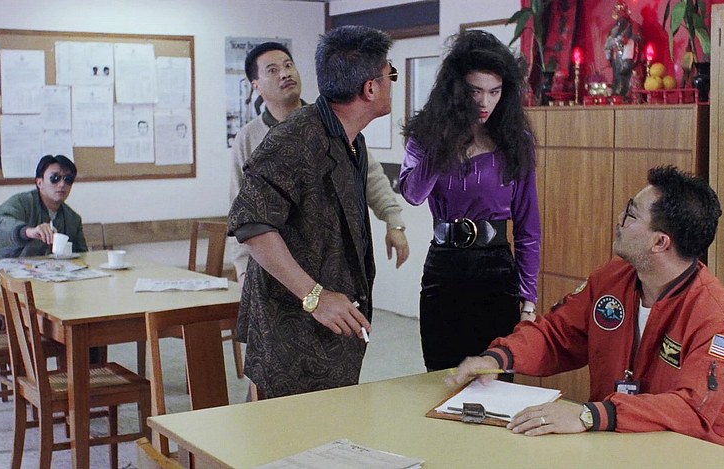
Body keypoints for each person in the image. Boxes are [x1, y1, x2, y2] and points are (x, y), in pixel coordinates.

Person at [447, 166, 724, 449]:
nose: (619, 219)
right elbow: (557, 335)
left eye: (631, 215)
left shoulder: (716, 316)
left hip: (689, 454)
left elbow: (692, 408)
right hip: (613, 441)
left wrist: (590, 415)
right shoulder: (612, 279)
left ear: (660, 242)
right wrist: (499, 358)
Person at [228, 25, 395, 399]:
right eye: (391, 75)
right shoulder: (295, 138)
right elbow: (251, 224)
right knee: (285, 430)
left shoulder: (345, 136)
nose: (392, 84)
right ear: (371, 88)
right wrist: (315, 296)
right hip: (292, 327)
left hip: (330, 324)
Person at [399, 30, 540, 371]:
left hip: (496, 272)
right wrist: (446, 141)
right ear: (457, 89)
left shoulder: (515, 141)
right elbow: (413, 194)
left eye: (494, 91)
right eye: (475, 91)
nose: (484, 102)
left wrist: (529, 300)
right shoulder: (428, 136)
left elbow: (528, 227)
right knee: (440, 377)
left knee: (495, 377)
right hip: (444, 268)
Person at [229, 41, 409, 284]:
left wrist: (393, 221)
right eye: (273, 70)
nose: (285, 74)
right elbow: (241, 208)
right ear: (256, 85)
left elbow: (369, 175)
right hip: (278, 268)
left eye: (288, 65)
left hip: (335, 263)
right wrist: (242, 269)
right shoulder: (249, 138)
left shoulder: (331, 123)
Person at [0, 154, 88, 258]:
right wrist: (27, 232)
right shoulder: (22, 202)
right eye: (55, 178)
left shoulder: (73, 219)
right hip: (7, 266)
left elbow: (83, 256)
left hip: (52, 267)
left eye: (68, 179)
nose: (62, 184)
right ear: (40, 183)